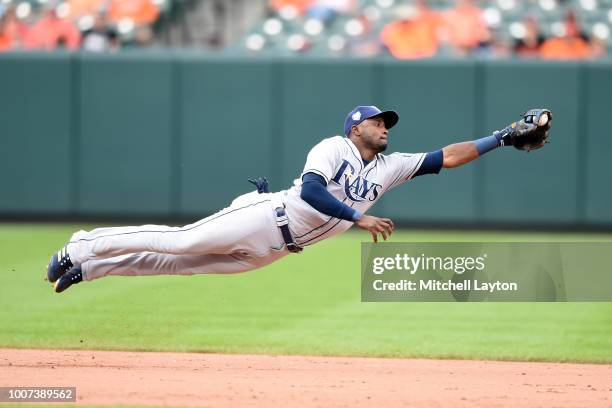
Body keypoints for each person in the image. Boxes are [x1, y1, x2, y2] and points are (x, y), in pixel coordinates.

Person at [47, 105, 542, 293]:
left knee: (177, 266)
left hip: (275, 250)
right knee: (178, 242)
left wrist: (499, 137)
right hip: (267, 217)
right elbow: (309, 190)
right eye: (377, 122)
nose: (384, 129)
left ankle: (91, 270)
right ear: (356, 127)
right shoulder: (335, 147)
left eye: (387, 124)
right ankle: (83, 245)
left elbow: (446, 157)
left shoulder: (390, 167)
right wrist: (358, 219)